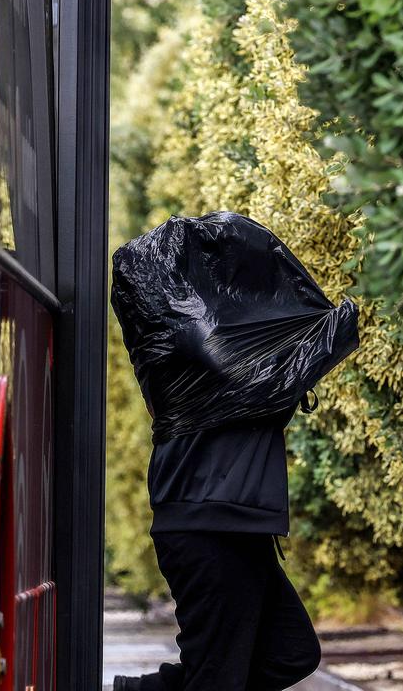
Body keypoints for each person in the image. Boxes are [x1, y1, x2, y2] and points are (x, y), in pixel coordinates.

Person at [111, 213, 357, 691]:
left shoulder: (210, 346)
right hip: (211, 528)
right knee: (220, 676)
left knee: (289, 652)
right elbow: (291, 360)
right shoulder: (205, 348)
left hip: (229, 525)